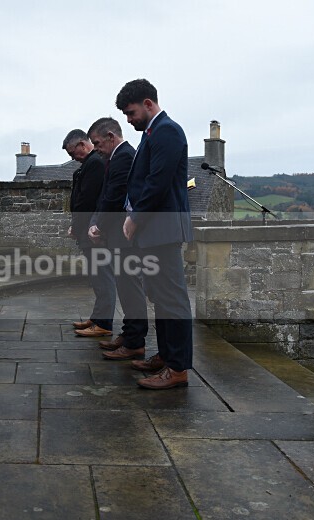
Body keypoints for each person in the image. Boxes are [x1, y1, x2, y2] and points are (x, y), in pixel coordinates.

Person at [116, 78, 194, 389]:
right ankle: (166, 355)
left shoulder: (167, 131)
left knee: (172, 300)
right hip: (155, 231)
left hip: (163, 230)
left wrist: (135, 218)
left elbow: (157, 182)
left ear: (148, 104)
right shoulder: (153, 132)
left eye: (131, 112)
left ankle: (178, 368)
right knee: (161, 298)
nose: (128, 119)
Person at [81, 118, 149, 356]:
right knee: (125, 287)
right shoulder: (116, 157)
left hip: (124, 235)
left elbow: (115, 196)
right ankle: (129, 335)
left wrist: (99, 226)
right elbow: (106, 195)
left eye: (98, 143)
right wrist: (96, 223)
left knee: (130, 288)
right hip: (118, 234)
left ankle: (134, 342)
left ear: (111, 137)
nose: (96, 149)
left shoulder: (124, 156)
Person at [62, 129, 112, 337]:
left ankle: (104, 323)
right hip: (87, 229)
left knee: (102, 277)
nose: (73, 158)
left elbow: (87, 201)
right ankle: (98, 317)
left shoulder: (95, 164)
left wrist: (76, 226)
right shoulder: (89, 164)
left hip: (93, 231)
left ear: (82, 145)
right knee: (96, 276)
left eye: (73, 153)